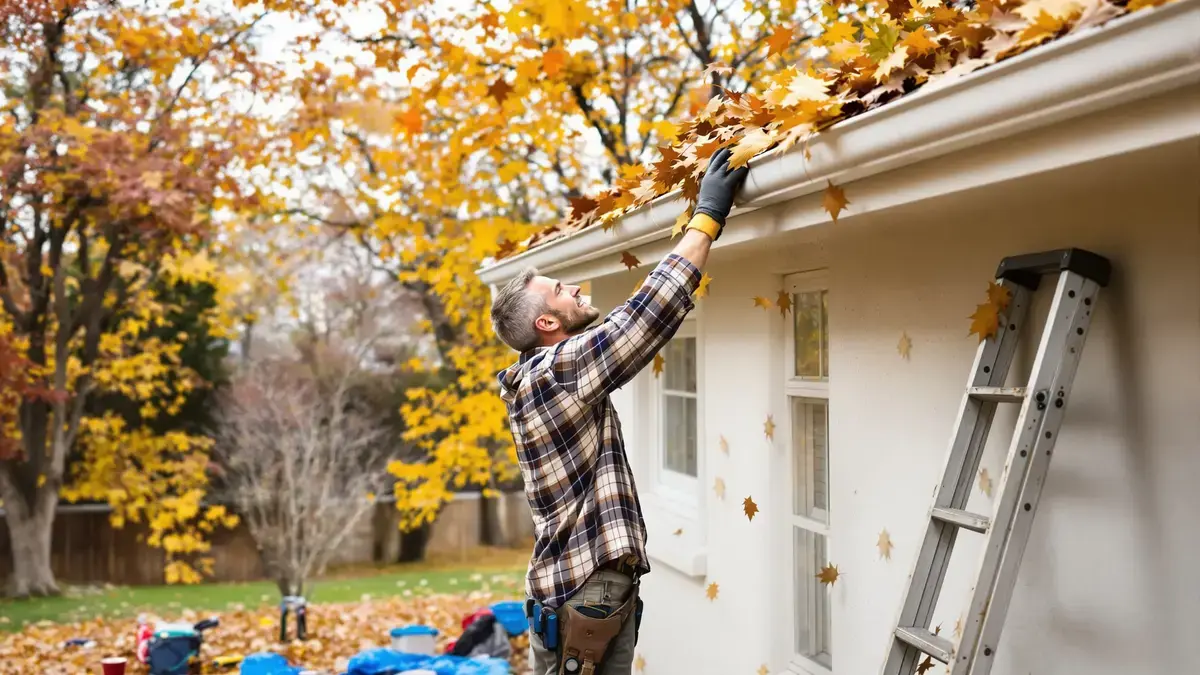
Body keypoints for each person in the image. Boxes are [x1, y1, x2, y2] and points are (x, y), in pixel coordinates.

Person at [490, 147, 750, 674]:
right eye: (561, 291)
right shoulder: (555, 370)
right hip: (586, 591)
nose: (576, 288)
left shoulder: (534, 378)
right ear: (546, 324)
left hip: (572, 593)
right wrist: (708, 216)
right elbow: (644, 317)